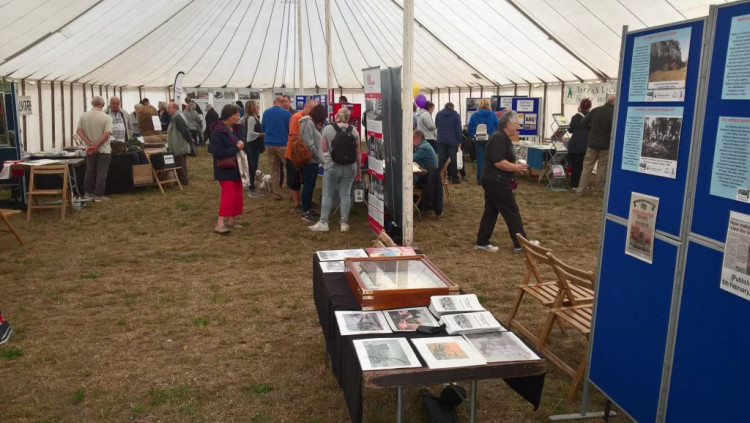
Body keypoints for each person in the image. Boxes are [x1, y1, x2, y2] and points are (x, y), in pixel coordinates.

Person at [474, 111, 534, 253]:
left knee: (491, 211)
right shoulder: (498, 138)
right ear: (508, 125)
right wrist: (516, 167)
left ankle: (482, 241)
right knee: (511, 211)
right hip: (496, 180)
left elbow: (502, 160)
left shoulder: (502, 138)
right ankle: (521, 244)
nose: (518, 127)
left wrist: (515, 165)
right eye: (516, 124)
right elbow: (499, 162)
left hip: (494, 179)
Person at [309, 106, 362, 232]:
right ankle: (344, 223)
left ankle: (323, 222)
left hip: (333, 166)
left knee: (327, 194)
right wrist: (359, 170)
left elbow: (324, 149)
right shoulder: (354, 131)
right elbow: (358, 153)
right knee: (345, 194)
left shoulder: (327, 129)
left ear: (337, 116)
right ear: (348, 118)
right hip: (350, 167)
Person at [210, 104, 245, 234]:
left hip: (236, 167)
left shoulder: (235, 129)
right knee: (228, 195)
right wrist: (236, 148)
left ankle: (232, 220)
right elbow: (218, 153)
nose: (238, 117)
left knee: (237, 194)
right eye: (236, 115)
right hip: (224, 168)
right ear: (228, 116)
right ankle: (219, 224)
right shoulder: (218, 132)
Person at [576, 94, 615, 196]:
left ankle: (580, 190)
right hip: (606, 145)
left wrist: (592, 127)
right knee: (602, 168)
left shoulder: (596, 110)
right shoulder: (614, 113)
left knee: (587, 167)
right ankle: (597, 191)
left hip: (592, 143)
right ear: (614, 101)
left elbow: (583, 122)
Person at [76, 96, 112, 202]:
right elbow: (106, 134)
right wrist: (97, 145)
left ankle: (88, 193)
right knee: (102, 172)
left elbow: (79, 131)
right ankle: (98, 195)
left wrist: (89, 143)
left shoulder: (84, 116)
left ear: (92, 103)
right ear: (103, 104)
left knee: (89, 171)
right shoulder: (106, 117)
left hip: (89, 149)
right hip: (103, 149)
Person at [286, 99, 319, 209]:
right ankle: (297, 203)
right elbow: (293, 135)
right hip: (295, 154)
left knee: (305, 180)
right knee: (294, 179)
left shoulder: (308, 119)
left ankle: (306, 202)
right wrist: (309, 138)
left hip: (303, 154)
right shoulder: (297, 117)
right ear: (308, 107)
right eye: (314, 109)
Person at [299, 104, 327, 222]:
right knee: (308, 186)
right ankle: (305, 211)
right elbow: (308, 143)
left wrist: (319, 128)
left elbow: (315, 138)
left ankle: (308, 208)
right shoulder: (307, 123)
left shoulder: (311, 124)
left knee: (310, 186)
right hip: (310, 160)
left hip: (314, 160)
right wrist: (317, 154)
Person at [261, 96, 292, 200]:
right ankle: (293, 190)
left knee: (273, 169)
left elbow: (263, 128)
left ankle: (277, 193)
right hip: (282, 144)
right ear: (282, 102)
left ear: (274, 102)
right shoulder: (287, 113)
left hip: (269, 143)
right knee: (289, 167)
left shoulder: (266, 112)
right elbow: (290, 128)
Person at [467, 98, 499, 185]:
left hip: (478, 140)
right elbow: (498, 126)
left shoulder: (474, 115)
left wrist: (473, 135)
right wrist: (493, 134)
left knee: (480, 160)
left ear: (479, 105)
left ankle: (480, 180)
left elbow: (469, 128)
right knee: (490, 160)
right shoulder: (493, 115)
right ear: (489, 105)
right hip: (490, 139)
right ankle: (489, 179)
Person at [567, 98, 592, 190]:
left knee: (575, 165)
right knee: (586, 166)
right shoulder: (591, 117)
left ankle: (574, 184)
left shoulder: (575, 117)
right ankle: (583, 184)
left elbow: (570, 130)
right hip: (587, 144)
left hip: (575, 144)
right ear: (590, 107)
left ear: (580, 106)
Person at [435, 102, 462, 184]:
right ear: (452, 107)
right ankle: (454, 178)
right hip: (452, 141)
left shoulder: (438, 114)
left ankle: (439, 177)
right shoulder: (456, 116)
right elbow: (458, 130)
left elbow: (436, 125)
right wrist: (459, 141)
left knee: (441, 160)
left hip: (441, 140)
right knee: (453, 160)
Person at [166, 102, 192, 185]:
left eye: (169, 108)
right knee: (180, 163)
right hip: (178, 145)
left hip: (180, 145)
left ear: (175, 108)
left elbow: (185, 131)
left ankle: (183, 180)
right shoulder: (175, 116)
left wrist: (189, 140)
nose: (168, 110)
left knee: (180, 164)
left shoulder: (177, 117)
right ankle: (181, 180)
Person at [243, 100, 264, 197]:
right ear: (252, 108)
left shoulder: (251, 118)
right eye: (256, 106)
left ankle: (252, 186)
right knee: (253, 167)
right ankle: (251, 189)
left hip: (253, 145)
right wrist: (261, 134)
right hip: (252, 145)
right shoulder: (251, 118)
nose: (258, 107)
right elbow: (250, 134)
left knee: (253, 166)